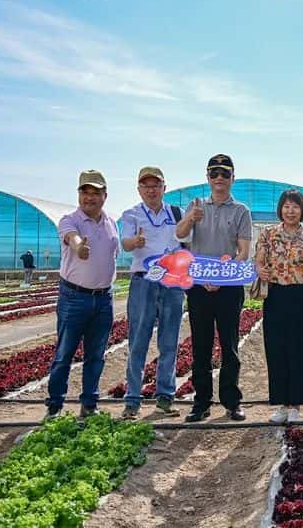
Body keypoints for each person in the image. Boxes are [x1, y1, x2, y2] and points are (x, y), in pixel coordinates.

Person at [176, 154, 251, 422]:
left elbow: (243, 251)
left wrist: (222, 277)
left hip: (228, 288)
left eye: (225, 173)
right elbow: (180, 235)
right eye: (214, 173)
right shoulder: (195, 206)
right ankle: (201, 402)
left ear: (232, 178)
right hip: (199, 287)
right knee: (201, 346)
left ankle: (232, 402)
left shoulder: (241, 211)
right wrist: (190, 219)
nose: (219, 178)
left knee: (229, 345)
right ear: (208, 177)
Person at [45, 170, 119, 420]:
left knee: (96, 355)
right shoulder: (70, 220)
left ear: (104, 195)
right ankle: (54, 406)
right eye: (85, 192)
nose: (90, 197)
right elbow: (72, 237)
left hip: (104, 298)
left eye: (95, 192)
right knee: (64, 353)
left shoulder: (111, 223)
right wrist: (79, 247)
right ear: (78, 194)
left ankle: (89, 405)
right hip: (74, 297)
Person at [119, 166, 186, 420]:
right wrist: (134, 242)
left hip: (171, 283)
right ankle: (132, 400)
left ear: (164, 188)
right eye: (146, 186)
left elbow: (187, 241)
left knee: (169, 342)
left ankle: (165, 398)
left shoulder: (176, 213)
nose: (151, 190)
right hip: (143, 282)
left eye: (156, 185)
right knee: (138, 341)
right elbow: (125, 243)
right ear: (139, 189)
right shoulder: (132, 214)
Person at [255, 189, 303, 423]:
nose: (290, 211)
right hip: (275, 295)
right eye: (286, 206)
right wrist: (260, 269)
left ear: (302, 210)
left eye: (295, 206)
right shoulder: (268, 234)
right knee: (276, 349)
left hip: (300, 296)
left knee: (300, 349)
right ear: (280, 209)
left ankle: (296, 404)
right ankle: (282, 404)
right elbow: (259, 260)